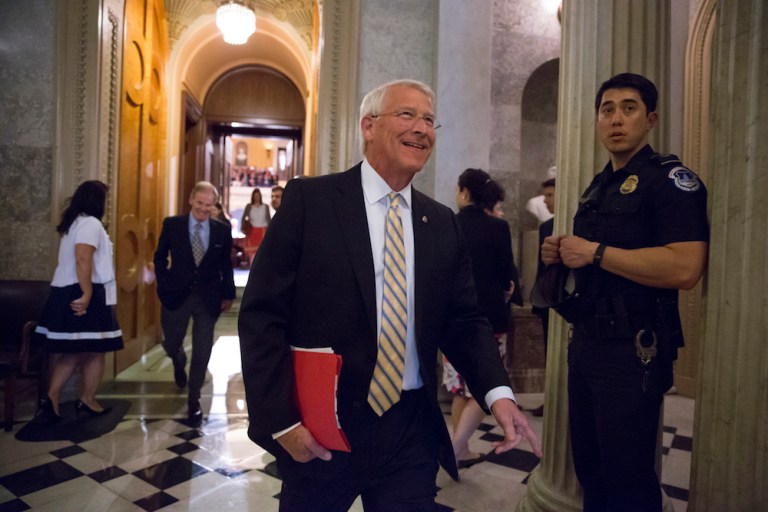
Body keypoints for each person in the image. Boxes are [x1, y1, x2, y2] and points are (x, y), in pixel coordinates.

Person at [239, 79, 541, 511]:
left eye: (430, 120)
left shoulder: (441, 223)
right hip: (325, 422)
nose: (422, 128)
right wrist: (280, 420)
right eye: (407, 115)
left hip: (409, 428)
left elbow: (464, 321)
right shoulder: (313, 201)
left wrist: (498, 393)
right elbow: (261, 315)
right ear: (367, 126)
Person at [541, 73, 708, 511]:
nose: (616, 119)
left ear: (650, 119)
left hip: (635, 350)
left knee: (627, 479)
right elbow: (595, 267)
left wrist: (595, 252)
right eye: (607, 109)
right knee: (591, 472)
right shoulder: (598, 186)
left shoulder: (669, 181)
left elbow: (686, 266)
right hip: (589, 344)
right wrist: (560, 254)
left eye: (629, 108)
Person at [442, 169, 523, 468]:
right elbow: (506, 273)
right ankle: (455, 447)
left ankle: (458, 449)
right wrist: (507, 289)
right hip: (490, 317)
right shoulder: (497, 227)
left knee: (460, 388)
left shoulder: (447, 222)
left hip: (451, 319)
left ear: (464, 192)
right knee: (486, 383)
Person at [34, 180, 123, 421]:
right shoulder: (90, 223)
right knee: (95, 351)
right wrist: (87, 294)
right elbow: (83, 259)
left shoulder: (75, 223)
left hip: (69, 289)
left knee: (77, 350)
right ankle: (84, 399)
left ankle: (55, 397)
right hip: (83, 290)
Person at [154, 181, 236, 426]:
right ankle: (178, 361)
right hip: (176, 295)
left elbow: (225, 265)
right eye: (200, 203)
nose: (203, 209)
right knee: (171, 342)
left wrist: (228, 294)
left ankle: (194, 399)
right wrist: (163, 282)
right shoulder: (172, 225)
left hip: (208, 298)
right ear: (191, 201)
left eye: (209, 205)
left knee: (203, 350)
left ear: (214, 206)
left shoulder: (222, 230)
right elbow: (159, 257)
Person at [529, 177, 556, 418]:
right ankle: (551, 399)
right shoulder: (546, 228)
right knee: (550, 352)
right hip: (548, 301)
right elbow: (541, 269)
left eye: (550, 195)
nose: (545, 200)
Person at [241, 188, 271, 265]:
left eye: (258, 196)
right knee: (252, 254)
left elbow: (268, 219)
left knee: (262, 253)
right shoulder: (249, 206)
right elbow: (244, 217)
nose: (256, 197)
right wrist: (243, 228)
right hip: (252, 230)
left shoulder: (265, 206)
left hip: (263, 230)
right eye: (255, 196)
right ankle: (252, 270)